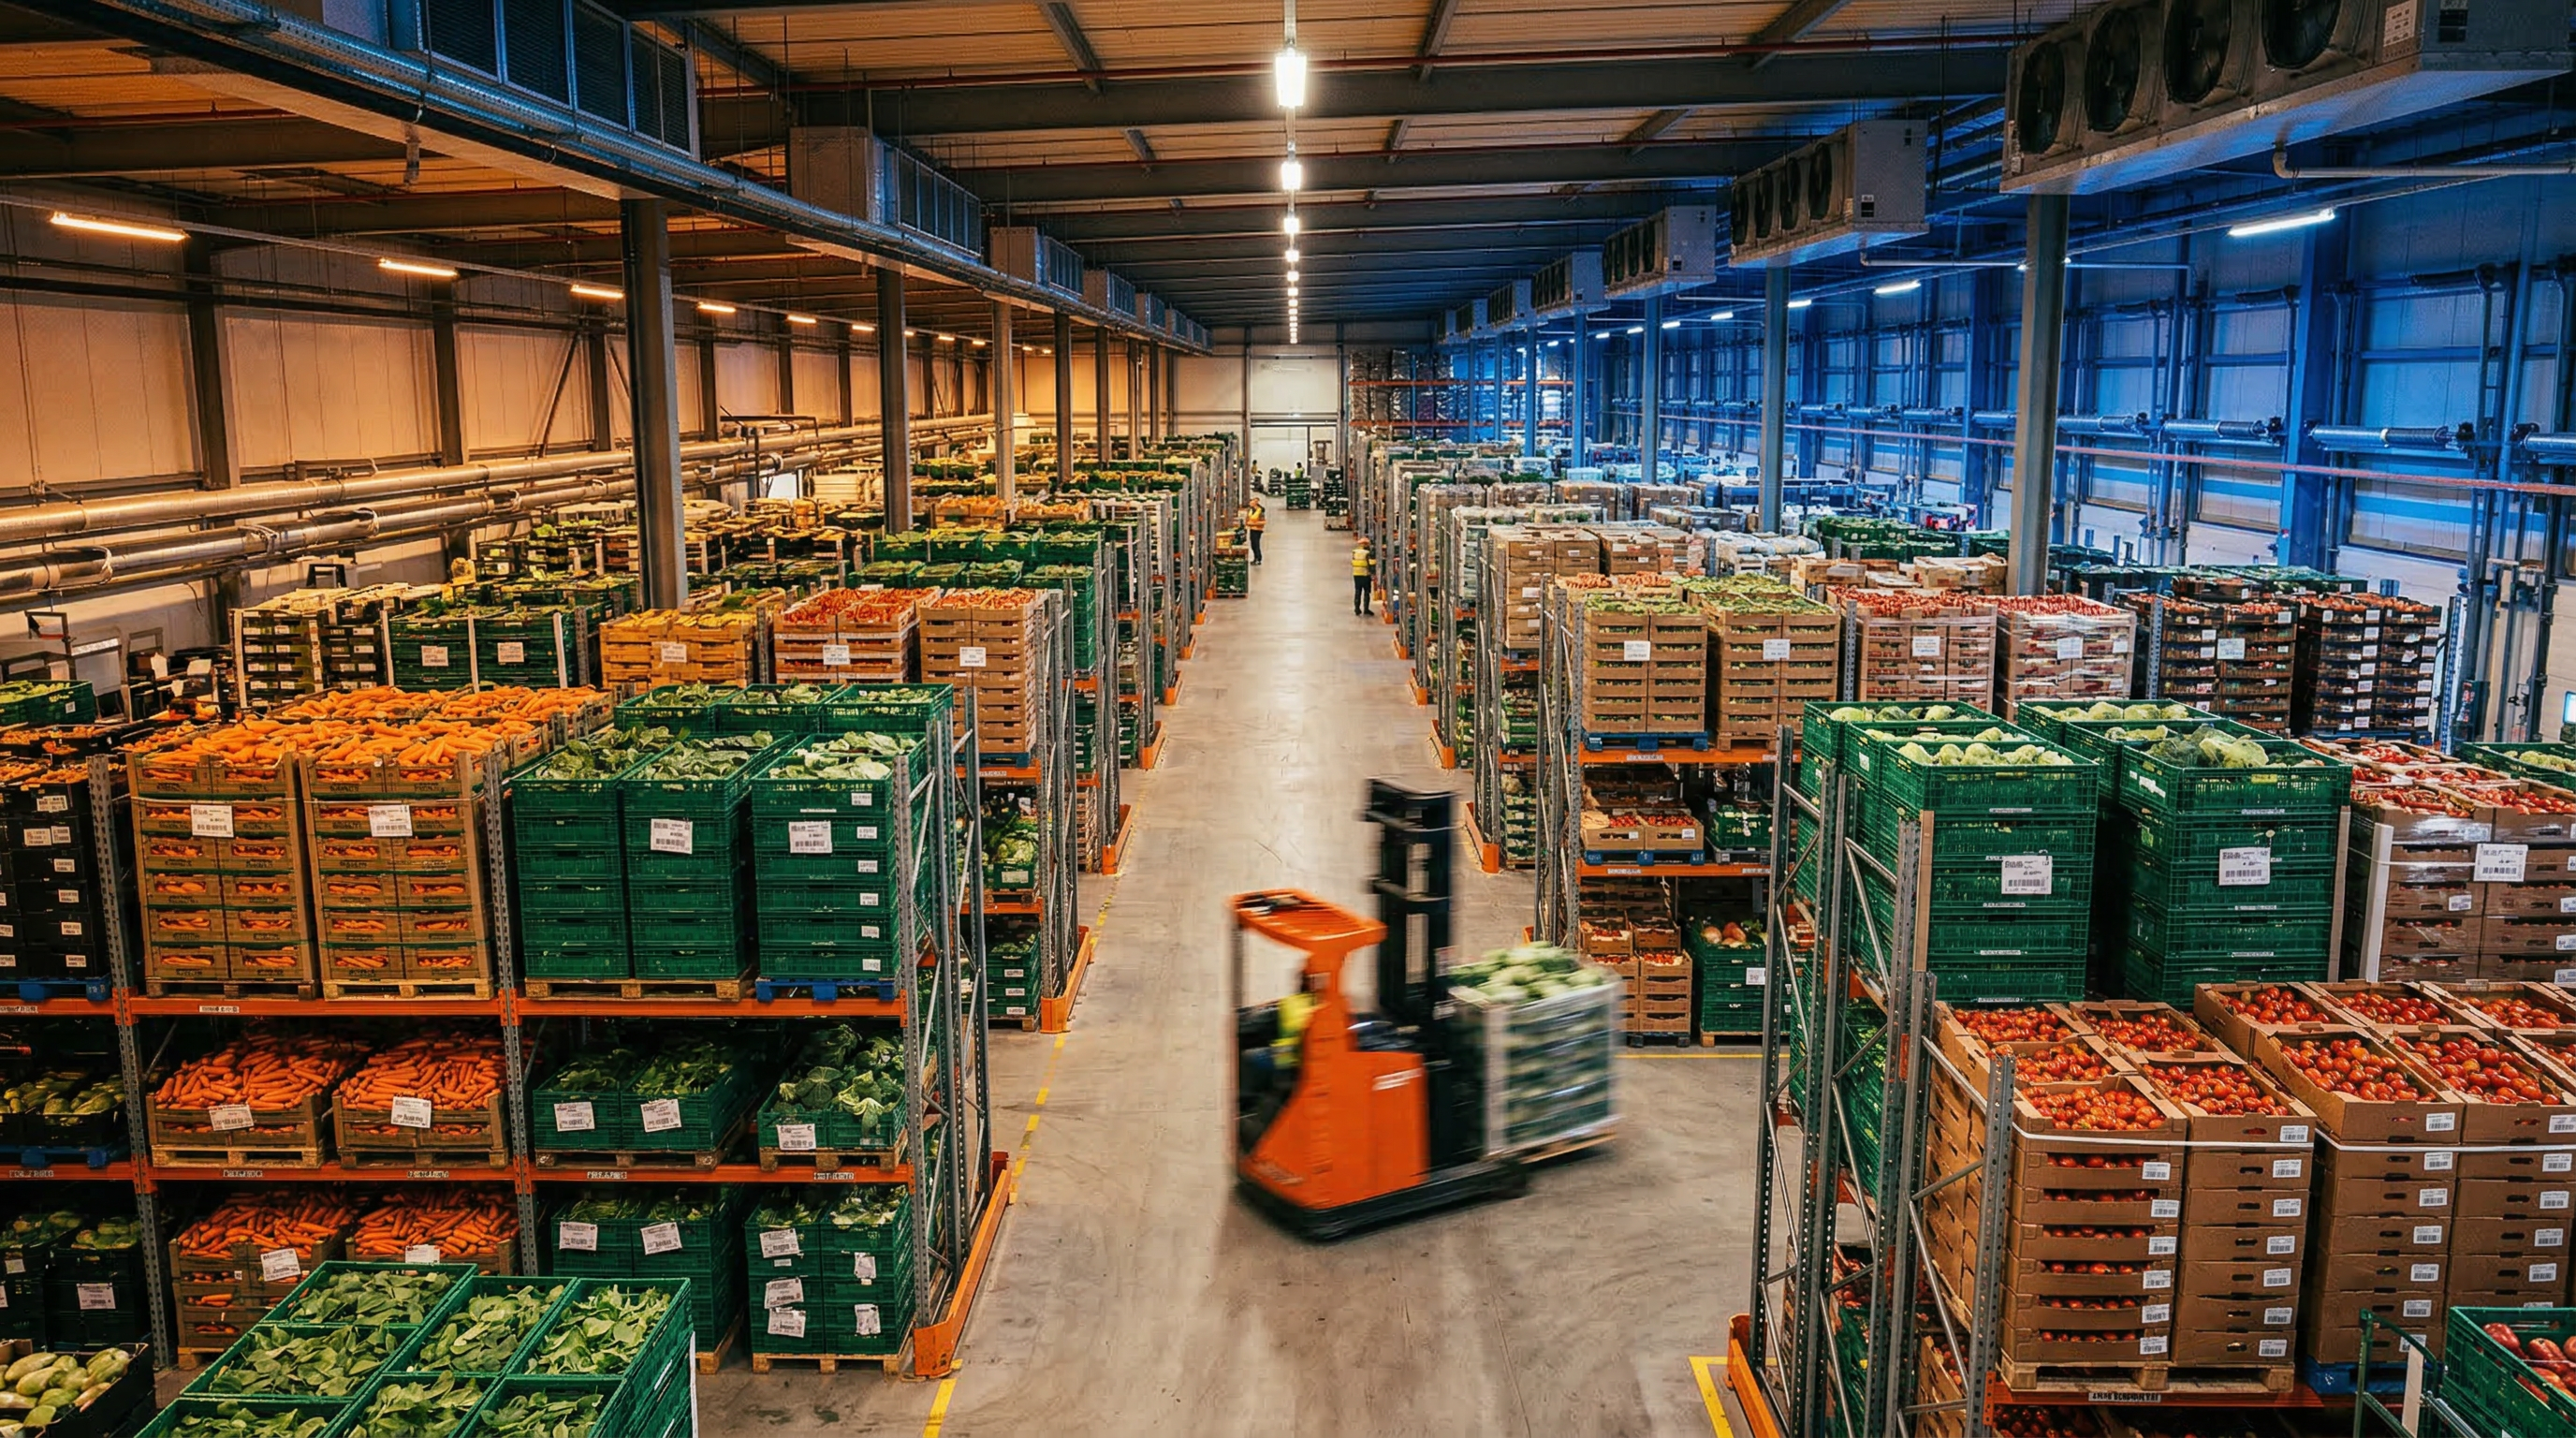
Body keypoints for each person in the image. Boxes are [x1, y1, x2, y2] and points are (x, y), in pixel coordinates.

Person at [1352, 538, 1374, 616]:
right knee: (1367, 592)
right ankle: (1366, 609)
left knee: (1357, 592)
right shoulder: (1367, 553)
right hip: (1365, 574)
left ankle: (1357, 609)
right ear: (1365, 545)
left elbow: (1353, 562)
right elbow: (1371, 563)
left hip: (1356, 574)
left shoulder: (1354, 552)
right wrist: (1372, 573)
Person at [1246, 499, 1266, 564]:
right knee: (1253, 545)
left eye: (1251, 502)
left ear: (1255, 503)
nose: (1250, 503)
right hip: (1252, 529)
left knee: (1256, 544)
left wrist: (1253, 524)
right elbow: (1247, 520)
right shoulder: (1250, 510)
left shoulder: (1260, 511)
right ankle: (1255, 558)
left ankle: (1258, 558)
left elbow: (1263, 522)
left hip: (1258, 530)